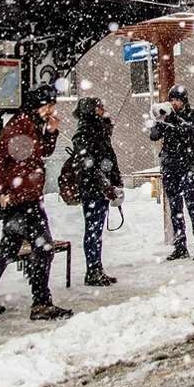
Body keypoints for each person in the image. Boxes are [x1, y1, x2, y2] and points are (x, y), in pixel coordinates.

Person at [0, 84, 72, 321]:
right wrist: (3, 190)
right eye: (48, 105)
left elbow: (42, 153)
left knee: (8, 248)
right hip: (22, 199)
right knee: (44, 247)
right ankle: (41, 303)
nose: (51, 110)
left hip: (25, 196)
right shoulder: (20, 125)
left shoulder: (31, 124)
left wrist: (51, 131)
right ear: (37, 105)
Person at [149, 84, 194, 261]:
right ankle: (180, 244)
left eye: (177, 100)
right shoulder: (166, 117)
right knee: (175, 207)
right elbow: (153, 136)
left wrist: (175, 120)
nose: (174, 103)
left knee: (192, 205)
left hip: (188, 166)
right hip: (170, 167)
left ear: (184, 101)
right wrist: (160, 120)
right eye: (172, 100)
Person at [72, 96, 123, 286]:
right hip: (92, 188)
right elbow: (89, 165)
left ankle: (96, 268)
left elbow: (108, 157)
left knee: (97, 229)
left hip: (100, 187)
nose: (103, 109)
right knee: (93, 229)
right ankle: (92, 269)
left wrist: (114, 180)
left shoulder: (99, 130)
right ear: (91, 110)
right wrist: (105, 183)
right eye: (99, 107)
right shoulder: (85, 133)